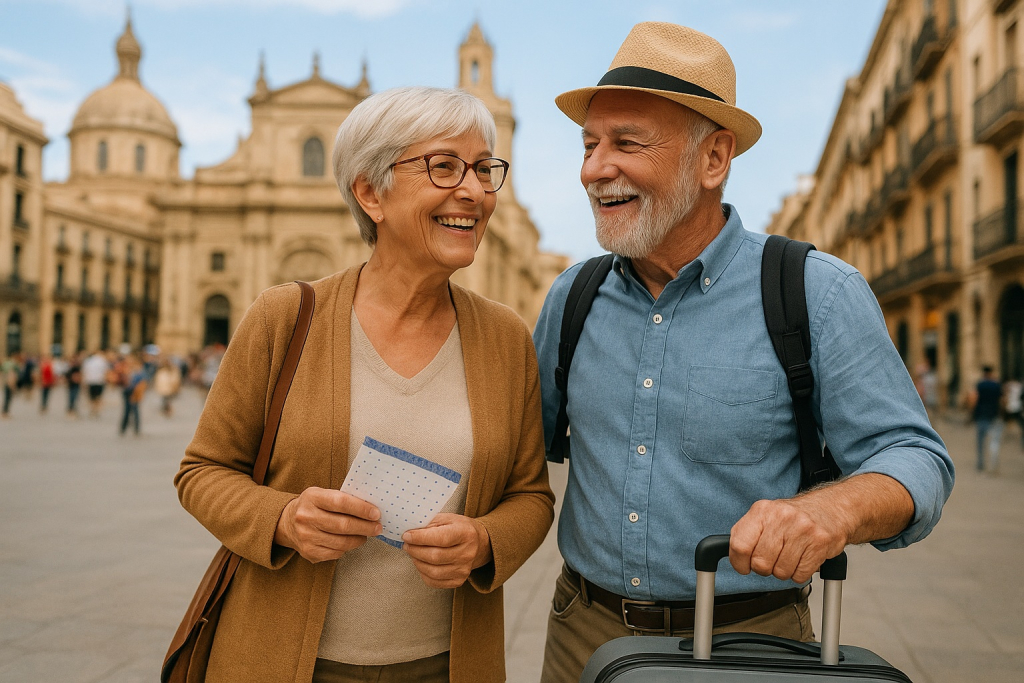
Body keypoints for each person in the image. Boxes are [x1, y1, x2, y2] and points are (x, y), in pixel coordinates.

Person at [531, 23, 956, 682]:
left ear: (714, 159)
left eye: (626, 143)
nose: (594, 168)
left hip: (750, 646)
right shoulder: (572, 296)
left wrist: (833, 509)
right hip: (577, 638)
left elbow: (917, 457)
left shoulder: (818, 292)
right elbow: (516, 448)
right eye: (589, 145)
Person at [174, 86, 554, 683]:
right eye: (444, 166)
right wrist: (283, 518)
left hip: (448, 666)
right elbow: (202, 472)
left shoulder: (505, 338)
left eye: (484, 170)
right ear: (370, 192)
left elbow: (532, 497)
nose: (475, 191)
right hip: (282, 663)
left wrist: (483, 541)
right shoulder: (283, 317)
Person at [968, 366, 1003, 472]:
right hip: (994, 416)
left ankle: (981, 463)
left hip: (981, 415)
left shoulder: (980, 385)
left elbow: (975, 399)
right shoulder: (996, 385)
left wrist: (972, 414)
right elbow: (1001, 400)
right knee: (994, 441)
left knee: (980, 441)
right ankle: (993, 463)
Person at [119, 356, 147, 436]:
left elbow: (143, 383)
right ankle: (123, 428)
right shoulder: (127, 370)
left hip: (135, 393)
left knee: (135, 411)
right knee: (127, 411)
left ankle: (136, 429)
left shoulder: (140, 372)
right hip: (127, 392)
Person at [81, 350, 109, 417]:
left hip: (90, 381)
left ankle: (92, 409)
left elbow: (84, 371)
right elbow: (106, 371)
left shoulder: (88, 361)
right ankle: (96, 410)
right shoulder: (102, 361)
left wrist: (84, 382)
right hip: (100, 381)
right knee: (98, 397)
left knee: (91, 397)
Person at [1002, 376, 1024, 448]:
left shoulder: (1010, 385)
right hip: (1016, 406)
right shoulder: (1019, 386)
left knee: (1012, 422)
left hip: (1012, 406)